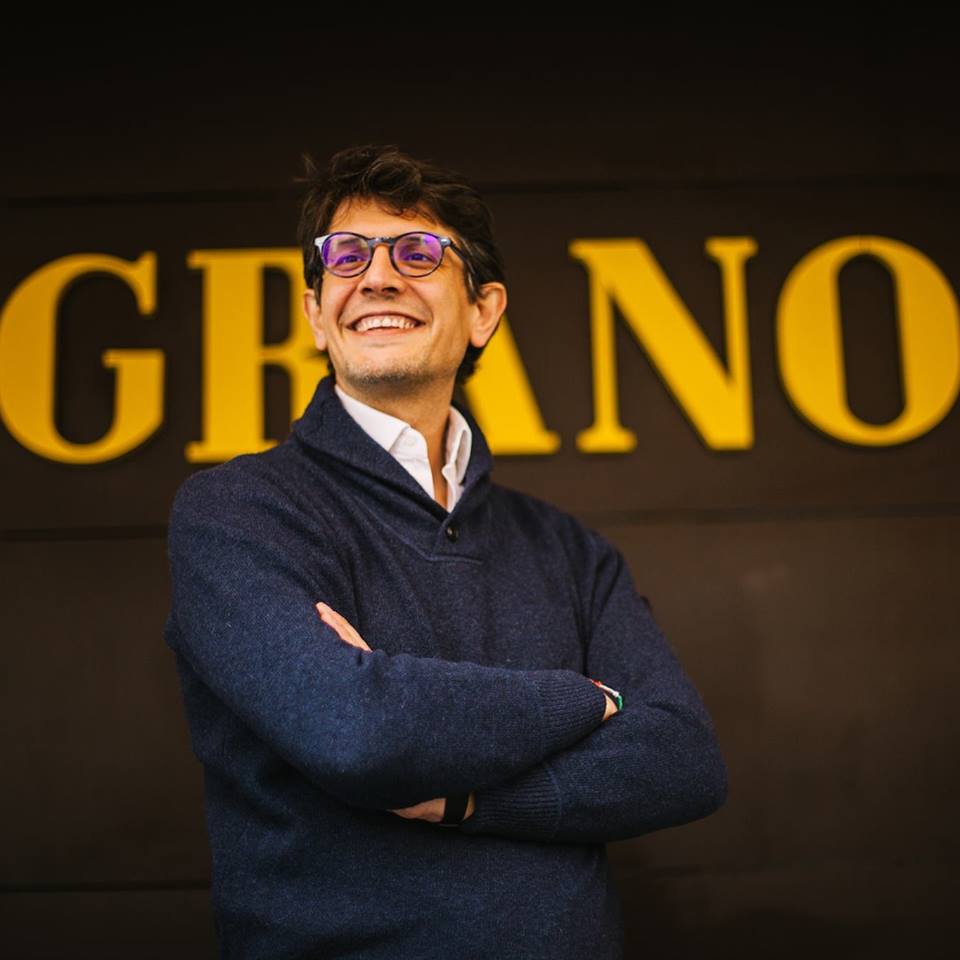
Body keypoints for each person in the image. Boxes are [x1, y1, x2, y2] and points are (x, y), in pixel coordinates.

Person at [164, 144, 727, 960]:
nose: (376, 277)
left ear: (483, 311)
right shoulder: (239, 512)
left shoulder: (570, 551)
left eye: (418, 253)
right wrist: (590, 701)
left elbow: (684, 760)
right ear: (317, 313)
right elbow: (355, 731)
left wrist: (469, 800)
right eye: (346, 256)